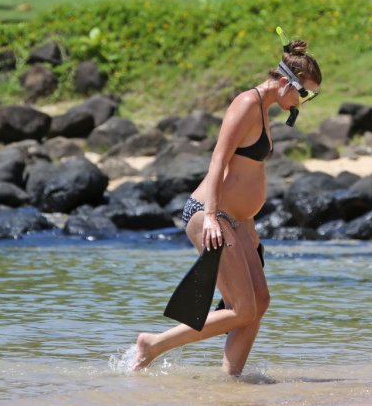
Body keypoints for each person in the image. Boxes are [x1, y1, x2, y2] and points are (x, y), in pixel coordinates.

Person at [133, 34, 322, 376]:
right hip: (211, 213)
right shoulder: (246, 103)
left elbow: (245, 173)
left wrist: (250, 225)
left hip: (237, 220)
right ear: (285, 82)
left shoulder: (264, 110)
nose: (303, 103)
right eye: (304, 94)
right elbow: (218, 161)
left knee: (259, 302)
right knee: (241, 309)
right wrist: (209, 216)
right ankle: (153, 344)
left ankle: (231, 382)